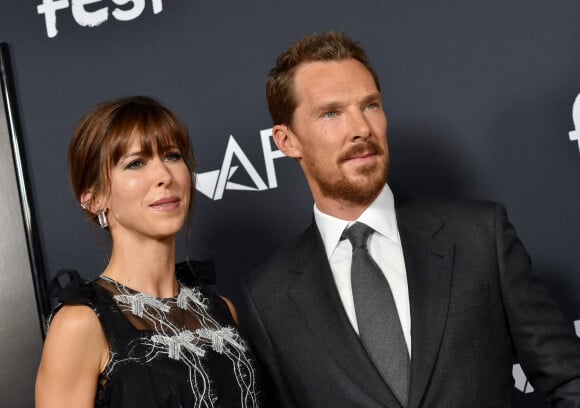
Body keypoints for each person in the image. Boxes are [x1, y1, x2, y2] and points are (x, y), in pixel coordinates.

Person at [242, 32, 580, 407]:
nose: (362, 129)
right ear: (287, 141)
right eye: (332, 113)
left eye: (370, 105)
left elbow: (570, 380)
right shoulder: (267, 299)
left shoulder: (481, 236)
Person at [35, 96, 261, 408]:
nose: (164, 177)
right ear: (94, 199)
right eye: (136, 163)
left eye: (172, 156)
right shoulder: (81, 324)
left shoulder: (221, 310)